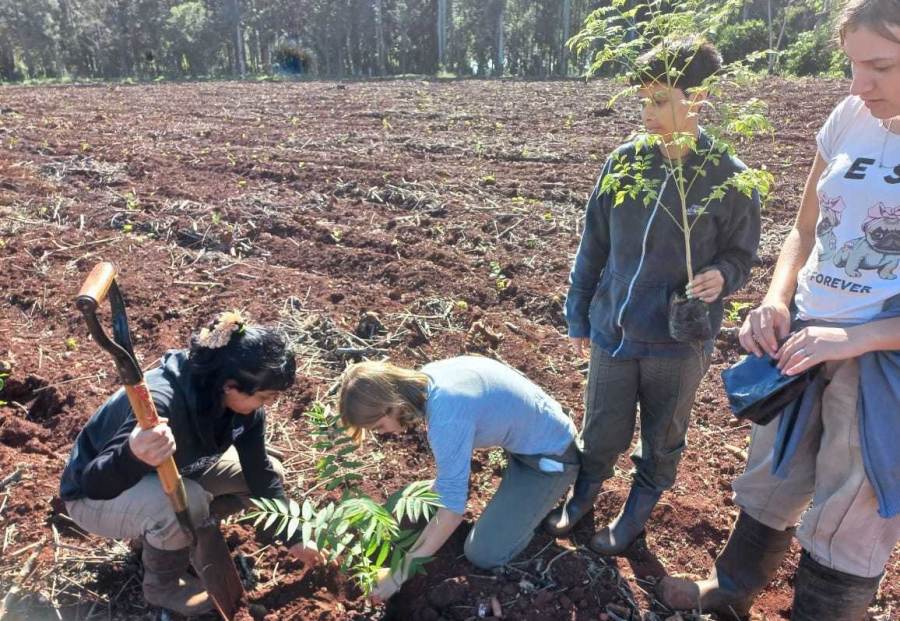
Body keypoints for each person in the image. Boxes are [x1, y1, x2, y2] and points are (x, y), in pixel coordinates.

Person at [658, 2, 900, 618]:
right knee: (773, 468)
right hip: (805, 334)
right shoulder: (850, 115)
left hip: (881, 355)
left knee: (853, 502)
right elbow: (804, 227)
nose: (859, 84)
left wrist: (858, 338)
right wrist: (775, 298)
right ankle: (733, 588)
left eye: (881, 66)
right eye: (852, 65)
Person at [543, 37, 761, 557]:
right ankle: (586, 491)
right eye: (644, 99)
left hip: (678, 337)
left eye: (661, 100)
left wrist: (721, 276)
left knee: (663, 434)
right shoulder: (625, 164)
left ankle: (639, 506)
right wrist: (579, 315)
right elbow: (592, 244)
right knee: (601, 426)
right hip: (614, 327)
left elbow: (742, 251)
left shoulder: (730, 176)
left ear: (699, 99)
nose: (648, 112)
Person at [60, 311, 316, 616]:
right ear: (230, 386)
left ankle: (169, 537)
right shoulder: (157, 404)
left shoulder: (242, 409)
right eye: (265, 396)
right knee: (188, 498)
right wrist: (132, 454)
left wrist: (294, 537)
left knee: (272, 472)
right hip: (96, 496)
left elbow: (259, 472)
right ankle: (163, 585)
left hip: (171, 472)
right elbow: (94, 484)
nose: (268, 404)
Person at [338, 355, 580, 601]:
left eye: (379, 426)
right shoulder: (426, 379)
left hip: (550, 458)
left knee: (483, 553)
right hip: (529, 434)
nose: (384, 433)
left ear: (391, 405)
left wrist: (398, 575)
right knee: (406, 502)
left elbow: (453, 511)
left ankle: (534, 509)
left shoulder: (446, 417)